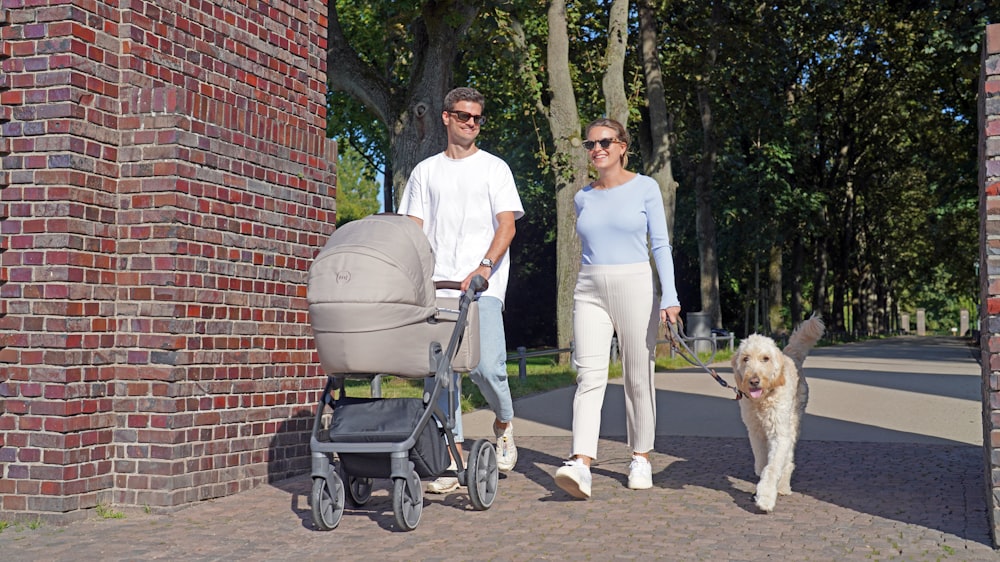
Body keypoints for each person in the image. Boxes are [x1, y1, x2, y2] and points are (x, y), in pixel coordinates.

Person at [398, 87, 525, 493]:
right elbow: (413, 228)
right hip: (437, 285)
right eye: (464, 116)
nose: (472, 123)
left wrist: (484, 266)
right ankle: (449, 457)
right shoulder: (425, 172)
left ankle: (503, 421)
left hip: (482, 283)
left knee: (488, 368)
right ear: (446, 117)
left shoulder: (494, 168)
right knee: (440, 375)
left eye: (477, 118)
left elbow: (507, 224)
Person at [553, 118, 681, 499]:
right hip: (590, 286)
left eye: (605, 142)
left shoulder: (646, 188)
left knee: (637, 376)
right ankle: (581, 463)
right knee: (588, 375)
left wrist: (670, 296)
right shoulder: (582, 197)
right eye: (591, 144)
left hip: (635, 284)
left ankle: (640, 456)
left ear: (623, 145)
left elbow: (660, 245)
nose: (597, 149)